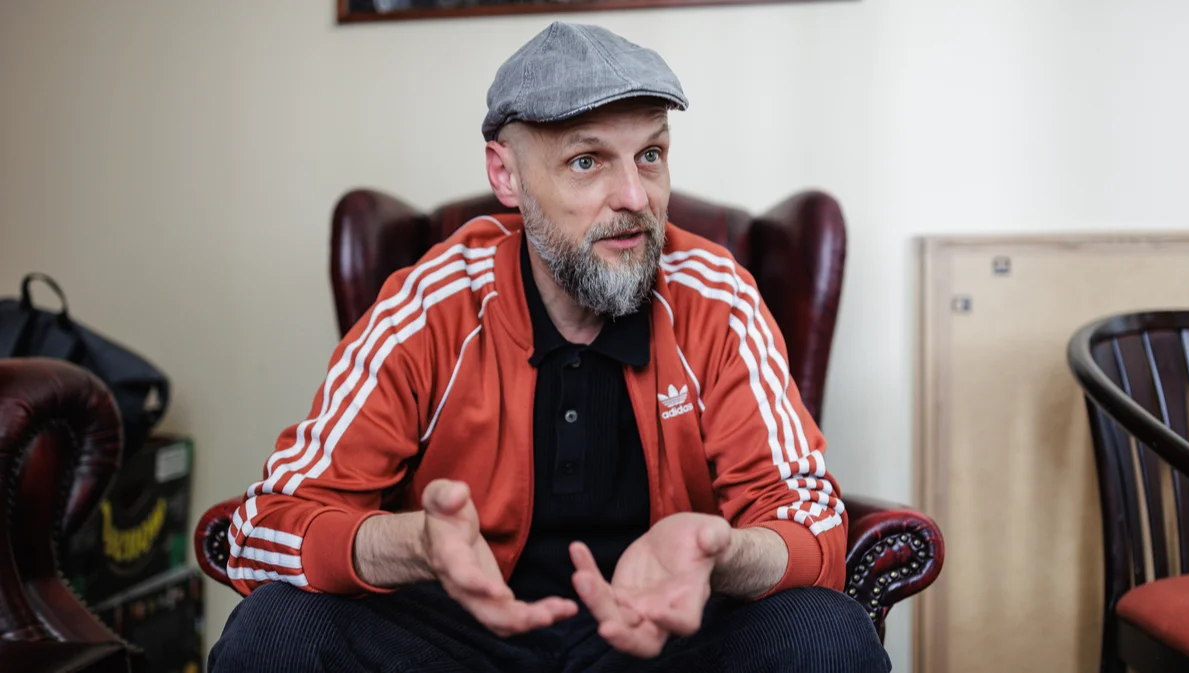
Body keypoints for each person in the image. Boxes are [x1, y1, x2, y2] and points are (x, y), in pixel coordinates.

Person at [208, 21, 890, 673]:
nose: (635, 196)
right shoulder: (430, 305)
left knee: (826, 633)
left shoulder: (716, 298)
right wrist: (413, 545)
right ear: (506, 175)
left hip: (661, 638)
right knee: (276, 631)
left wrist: (723, 554)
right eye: (586, 161)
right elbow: (260, 528)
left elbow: (813, 526)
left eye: (650, 155)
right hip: (457, 637)